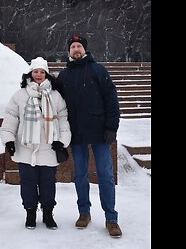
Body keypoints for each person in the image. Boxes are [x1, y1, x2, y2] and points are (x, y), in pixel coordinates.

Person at [56, 35, 122, 237]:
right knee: (80, 175)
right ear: (69, 51)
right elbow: (56, 106)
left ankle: (111, 218)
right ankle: (84, 213)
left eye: (79, 46)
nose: (76, 49)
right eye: (73, 46)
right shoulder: (64, 76)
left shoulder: (98, 70)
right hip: (76, 134)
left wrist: (112, 126)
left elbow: (111, 99)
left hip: (101, 132)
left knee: (106, 175)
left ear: (85, 50)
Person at [0, 57, 71, 230]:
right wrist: (8, 139)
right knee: (28, 183)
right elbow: (11, 118)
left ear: (46, 74)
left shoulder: (55, 96)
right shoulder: (20, 95)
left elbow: (63, 119)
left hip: (48, 148)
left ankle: (48, 213)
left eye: (42, 72)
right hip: (26, 149)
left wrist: (62, 142)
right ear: (30, 74)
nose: (38, 75)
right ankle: (30, 213)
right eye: (35, 71)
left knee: (48, 183)